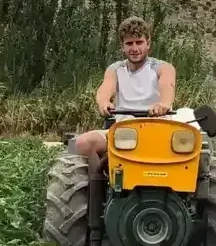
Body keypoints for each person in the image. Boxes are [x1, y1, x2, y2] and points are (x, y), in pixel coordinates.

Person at [71, 15, 176, 163]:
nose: (134, 48)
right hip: (124, 134)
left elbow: (167, 86)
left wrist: (163, 104)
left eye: (139, 42)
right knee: (83, 143)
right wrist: (104, 103)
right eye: (129, 43)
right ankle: (101, 182)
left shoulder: (162, 68)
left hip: (158, 132)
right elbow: (105, 88)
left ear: (148, 44)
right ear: (122, 46)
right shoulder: (115, 69)